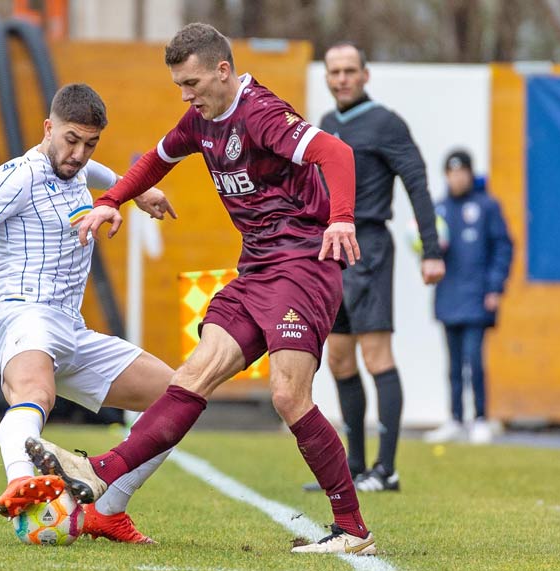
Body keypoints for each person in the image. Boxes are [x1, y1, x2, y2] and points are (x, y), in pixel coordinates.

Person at [24, 23, 377, 556]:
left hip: (302, 264)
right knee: (192, 374)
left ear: (222, 70)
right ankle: (100, 480)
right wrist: (111, 200)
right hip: (256, 269)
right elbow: (154, 159)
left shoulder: (261, 114)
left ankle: (352, 530)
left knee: (287, 395)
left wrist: (342, 219)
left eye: (191, 83)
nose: (186, 96)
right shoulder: (201, 120)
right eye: (178, 87)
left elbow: (338, 154)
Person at [0, 83, 178, 544]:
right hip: (22, 314)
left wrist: (136, 190)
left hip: (70, 327)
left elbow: (94, 172)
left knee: (178, 397)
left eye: (90, 143)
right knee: (35, 394)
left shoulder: (79, 167)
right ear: (48, 128)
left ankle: (108, 511)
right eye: (71, 140)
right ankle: (19, 480)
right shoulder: (17, 176)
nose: (78, 153)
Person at [304, 42, 446, 493]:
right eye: (334, 71)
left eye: (350, 70)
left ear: (365, 75)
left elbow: (417, 183)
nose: (342, 78)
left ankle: (387, 470)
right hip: (331, 249)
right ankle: (356, 466)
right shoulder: (327, 125)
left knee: (375, 354)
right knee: (340, 359)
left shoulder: (386, 123)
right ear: (327, 77)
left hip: (369, 247)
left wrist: (432, 250)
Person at [423, 150, 512, 445]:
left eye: (462, 172)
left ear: (470, 174)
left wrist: (495, 287)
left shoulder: (487, 206)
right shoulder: (440, 209)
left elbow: (503, 247)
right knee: (453, 362)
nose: (457, 178)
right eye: (452, 172)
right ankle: (455, 419)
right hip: (448, 296)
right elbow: (429, 250)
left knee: (474, 360)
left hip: (477, 297)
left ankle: (481, 418)